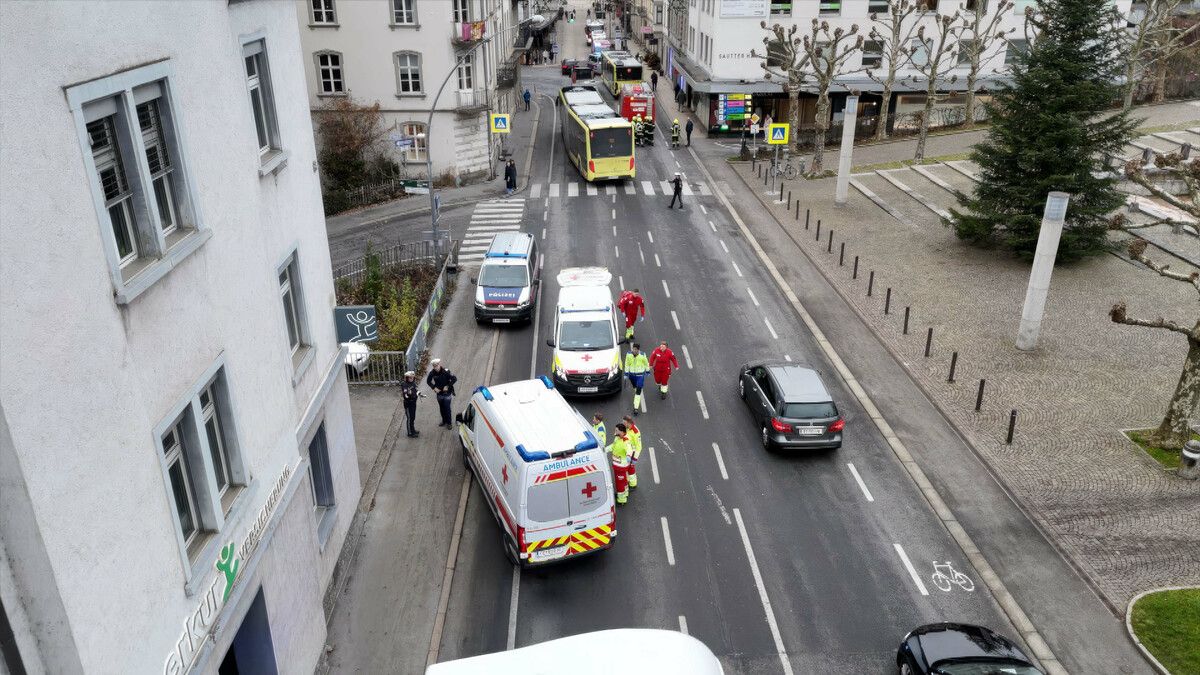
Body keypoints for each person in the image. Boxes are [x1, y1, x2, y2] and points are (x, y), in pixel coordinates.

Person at [426, 358, 458, 428]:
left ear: (439, 364)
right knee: (442, 408)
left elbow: (454, 379)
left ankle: (449, 423)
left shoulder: (446, 371)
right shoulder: (432, 373)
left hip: (447, 393)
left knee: (447, 408)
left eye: (436, 366)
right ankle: (444, 421)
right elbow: (428, 381)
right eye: (434, 366)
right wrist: (434, 387)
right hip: (439, 394)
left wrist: (448, 386)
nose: (436, 368)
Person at [624, 343, 650, 415]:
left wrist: (647, 371)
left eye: (635, 349)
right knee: (635, 387)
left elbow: (646, 363)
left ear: (638, 350)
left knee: (638, 390)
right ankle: (636, 393)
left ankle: (636, 407)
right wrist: (626, 373)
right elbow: (627, 363)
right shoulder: (628, 354)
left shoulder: (642, 355)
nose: (634, 350)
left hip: (640, 375)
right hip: (632, 376)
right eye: (633, 349)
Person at [608, 424, 630, 504]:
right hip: (617, 466)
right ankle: (626, 493)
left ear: (622, 432)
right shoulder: (617, 438)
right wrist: (605, 449)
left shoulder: (625, 441)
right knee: (623, 481)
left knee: (620, 483)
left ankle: (621, 500)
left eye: (617, 430)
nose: (615, 431)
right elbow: (613, 446)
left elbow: (629, 450)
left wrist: (628, 455)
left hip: (621, 467)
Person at [401, 370, 425, 437]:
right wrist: (407, 394)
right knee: (409, 418)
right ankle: (410, 433)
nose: (411, 379)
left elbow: (415, 390)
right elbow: (405, 393)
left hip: (413, 403)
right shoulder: (404, 384)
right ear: (407, 378)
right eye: (410, 377)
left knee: (413, 417)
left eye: (412, 377)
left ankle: (413, 430)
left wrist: (419, 393)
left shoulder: (413, 383)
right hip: (408, 404)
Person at [622, 415, 642, 489]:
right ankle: (627, 481)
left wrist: (634, 459)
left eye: (624, 422)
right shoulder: (626, 428)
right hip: (627, 451)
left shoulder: (636, 432)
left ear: (628, 423)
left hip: (632, 453)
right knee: (626, 467)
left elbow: (639, 447)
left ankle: (633, 484)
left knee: (631, 469)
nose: (622, 424)